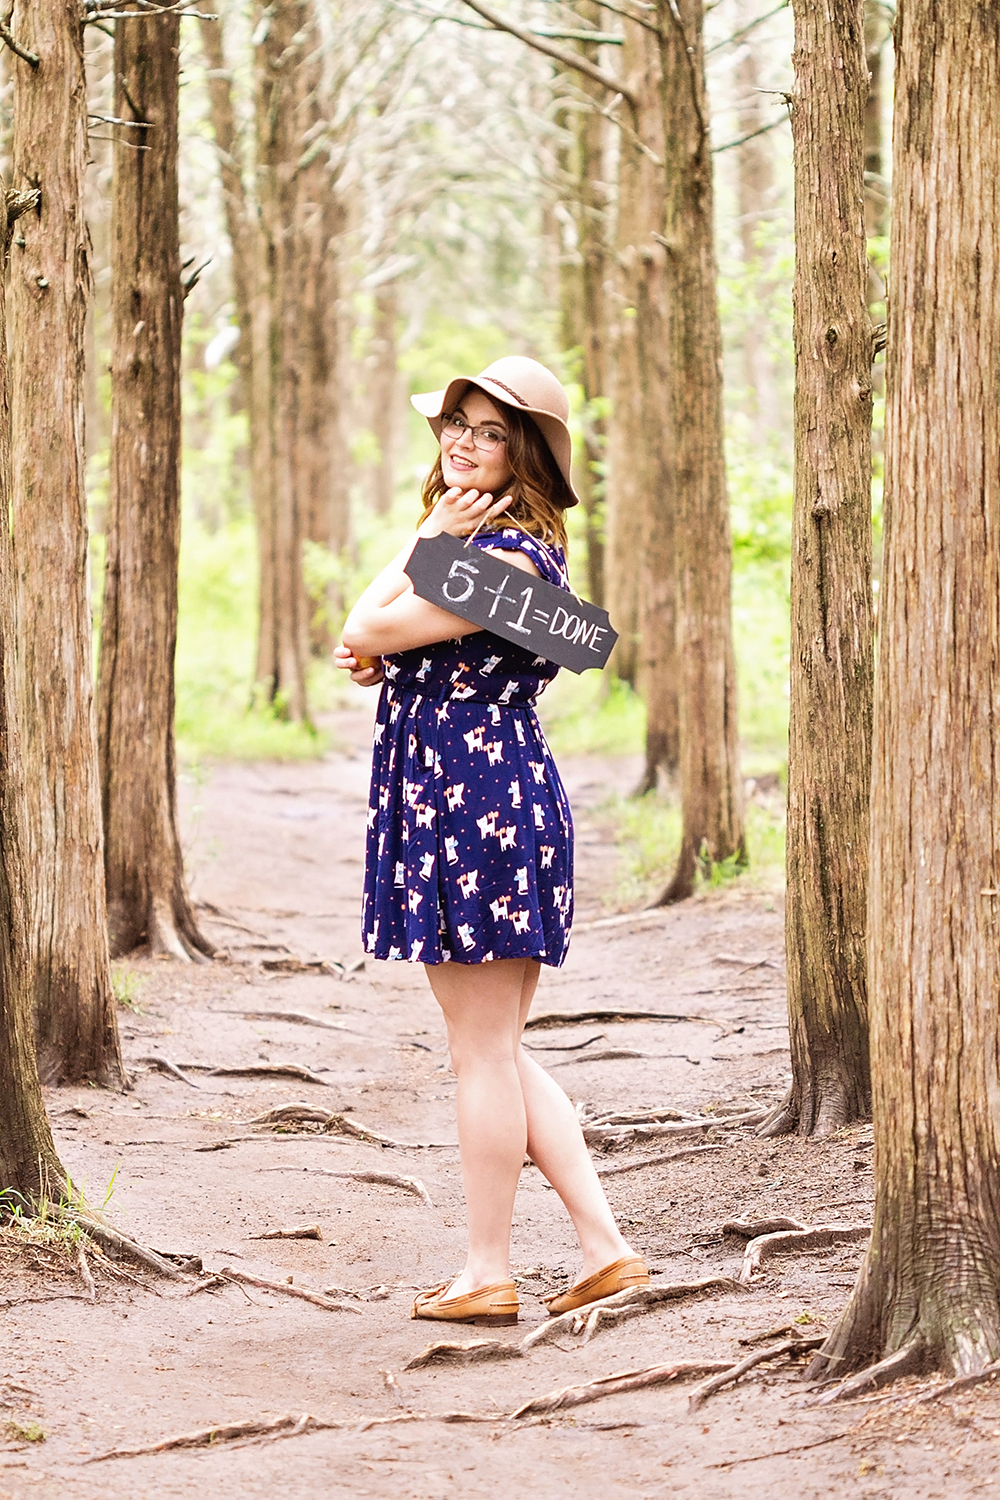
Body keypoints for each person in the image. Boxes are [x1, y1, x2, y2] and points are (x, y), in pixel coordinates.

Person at [336, 356, 648, 1326]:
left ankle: (487, 1270)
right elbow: (378, 639)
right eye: (454, 427)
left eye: (488, 432)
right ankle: (603, 1248)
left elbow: (361, 622)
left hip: (476, 809)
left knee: (479, 1051)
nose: (461, 444)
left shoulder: (497, 560)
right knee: (499, 1049)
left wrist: (418, 554)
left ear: (526, 458)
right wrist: (392, 642)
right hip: (482, 800)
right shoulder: (502, 558)